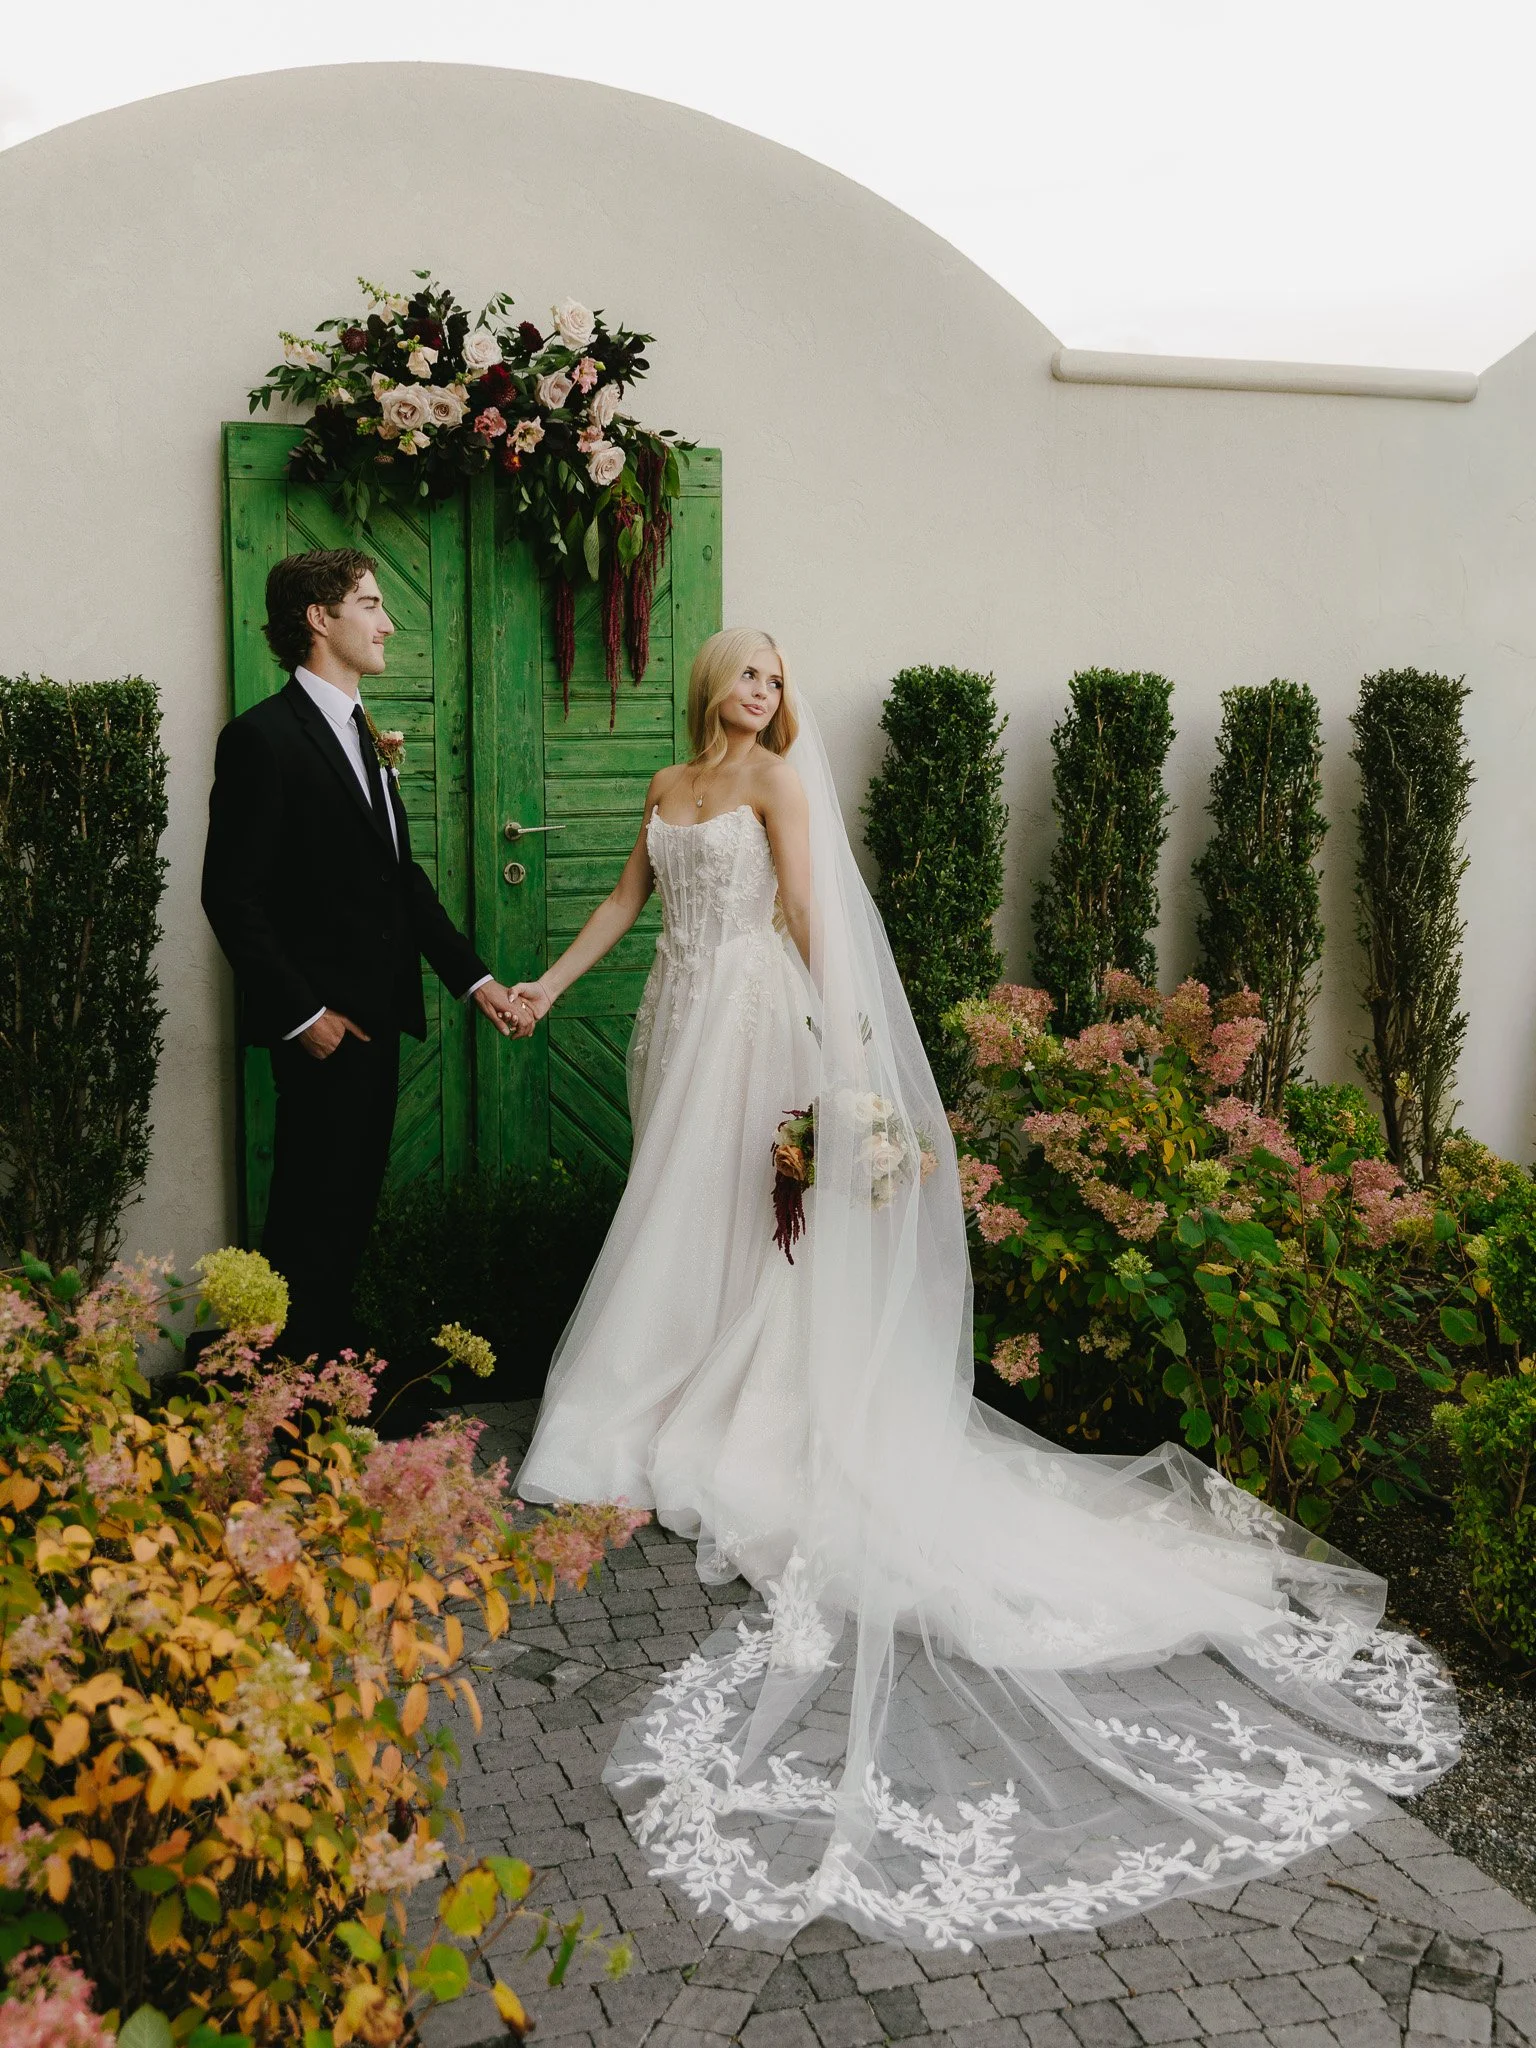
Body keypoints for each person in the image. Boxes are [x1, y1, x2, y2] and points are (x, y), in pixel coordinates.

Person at [510, 628, 1459, 1951]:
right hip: (676, 1017)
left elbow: (807, 918)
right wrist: (550, 990)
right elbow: (627, 907)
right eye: (748, 674)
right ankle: (676, 1373)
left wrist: (851, 1065)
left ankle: (738, 1393)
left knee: (751, 1220)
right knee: (681, 1215)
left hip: (757, 1025)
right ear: (708, 681)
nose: (764, 694)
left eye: (779, 680)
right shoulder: (671, 789)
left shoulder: (780, 787)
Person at [202, 547, 533, 1365]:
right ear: (320, 619)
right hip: (323, 1028)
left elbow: (398, 879)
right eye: (371, 604)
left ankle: (326, 1392)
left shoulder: (363, 733)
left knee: (345, 1216)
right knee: (306, 1220)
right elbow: (229, 897)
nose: (387, 622)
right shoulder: (261, 739)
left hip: (380, 1020)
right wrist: (304, 1016)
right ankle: (280, 1402)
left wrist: (476, 978)